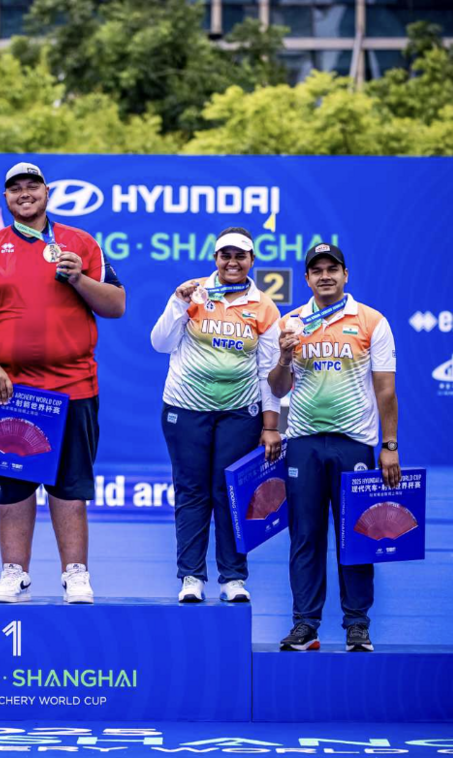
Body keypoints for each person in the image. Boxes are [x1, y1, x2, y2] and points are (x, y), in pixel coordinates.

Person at [0, 162, 126, 604]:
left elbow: (116, 305)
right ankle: (15, 574)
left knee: (69, 486)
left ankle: (75, 574)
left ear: (47, 192)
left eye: (32, 187)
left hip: (73, 385)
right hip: (9, 388)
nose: (25, 194)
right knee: (13, 486)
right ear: (6, 199)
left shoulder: (80, 243)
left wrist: (79, 278)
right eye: (16, 189)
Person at [267, 242, 400, 652]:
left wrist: (389, 445)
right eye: (317, 270)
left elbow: (386, 389)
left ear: (346, 275)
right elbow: (275, 388)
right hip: (303, 442)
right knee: (305, 536)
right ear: (307, 279)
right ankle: (305, 625)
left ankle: (357, 624)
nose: (325, 275)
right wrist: (285, 357)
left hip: (355, 444)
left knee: (356, 536)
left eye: (332, 269)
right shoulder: (291, 322)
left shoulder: (372, 321)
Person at [150, 228, 282, 604]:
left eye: (240, 256)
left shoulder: (264, 307)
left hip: (240, 413)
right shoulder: (194, 295)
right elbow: (160, 344)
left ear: (252, 261)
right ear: (215, 259)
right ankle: (191, 576)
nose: (232, 262)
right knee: (192, 492)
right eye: (225, 255)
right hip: (185, 408)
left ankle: (233, 578)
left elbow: (267, 370)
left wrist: (270, 425)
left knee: (232, 493)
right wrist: (178, 304)